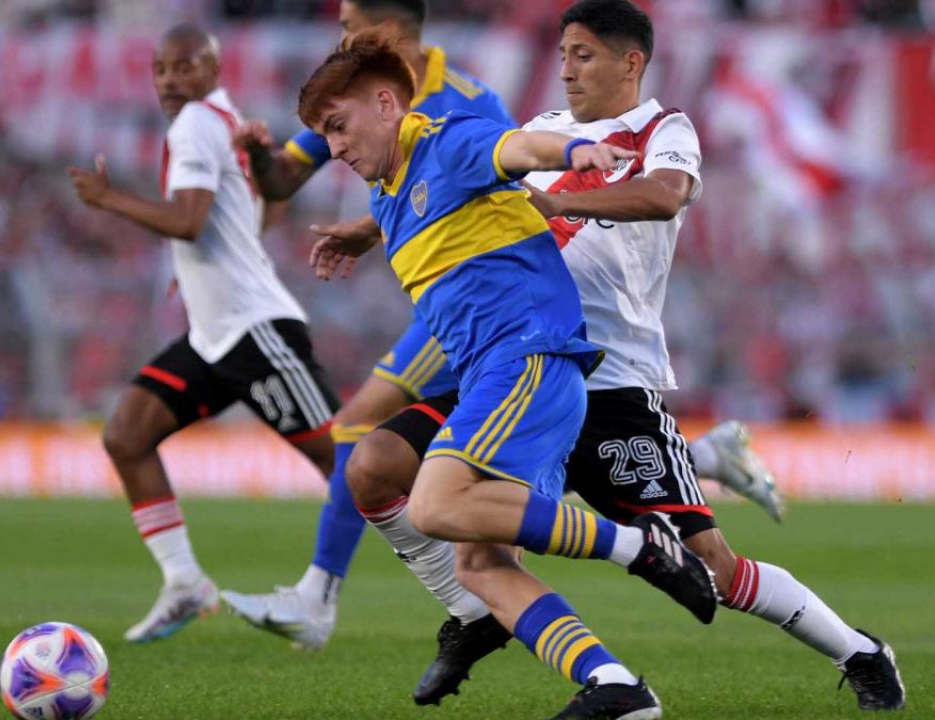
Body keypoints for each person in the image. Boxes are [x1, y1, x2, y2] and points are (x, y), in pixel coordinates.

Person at [326, 1, 906, 714]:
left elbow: (664, 197)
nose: (566, 69)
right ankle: (497, 628)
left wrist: (562, 199)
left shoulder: (664, 130)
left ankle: (859, 650)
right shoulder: (541, 132)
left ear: (631, 62)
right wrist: (365, 227)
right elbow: (449, 181)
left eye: (585, 55)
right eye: (564, 53)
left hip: (614, 380)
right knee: (379, 468)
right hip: (508, 359)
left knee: (713, 569)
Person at [223, 0, 784, 655]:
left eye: (352, 28)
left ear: (386, 30)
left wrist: (576, 161)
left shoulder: (457, 97)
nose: (343, 39)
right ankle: (696, 468)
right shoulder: (348, 103)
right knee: (402, 460)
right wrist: (292, 179)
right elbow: (287, 180)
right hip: (462, 308)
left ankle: (342, 593)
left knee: (385, 446)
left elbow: (506, 166)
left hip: (512, 312)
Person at [299, 27, 722, 719]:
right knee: (470, 555)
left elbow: (518, 149)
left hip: (529, 357)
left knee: (435, 505)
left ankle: (639, 545)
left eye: (338, 127)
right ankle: (618, 688)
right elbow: (430, 201)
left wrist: (580, 150)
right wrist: (364, 231)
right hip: (489, 373)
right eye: (324, 135)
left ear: (385, 104)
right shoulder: (386, 193)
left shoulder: (448, 137)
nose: (334, 147)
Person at [66, 25, 341, 644]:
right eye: (160, 69)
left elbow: (188, 222)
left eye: (183, 67)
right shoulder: (223, 119)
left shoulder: (196, 121)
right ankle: (185, 582)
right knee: (127, 434)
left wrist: (109, 198)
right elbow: (256, 210)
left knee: (349, 465)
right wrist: (196, 278)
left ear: (212, 68)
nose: (169, 80)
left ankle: (462, 572)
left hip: (254, 328)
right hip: (213, 335)